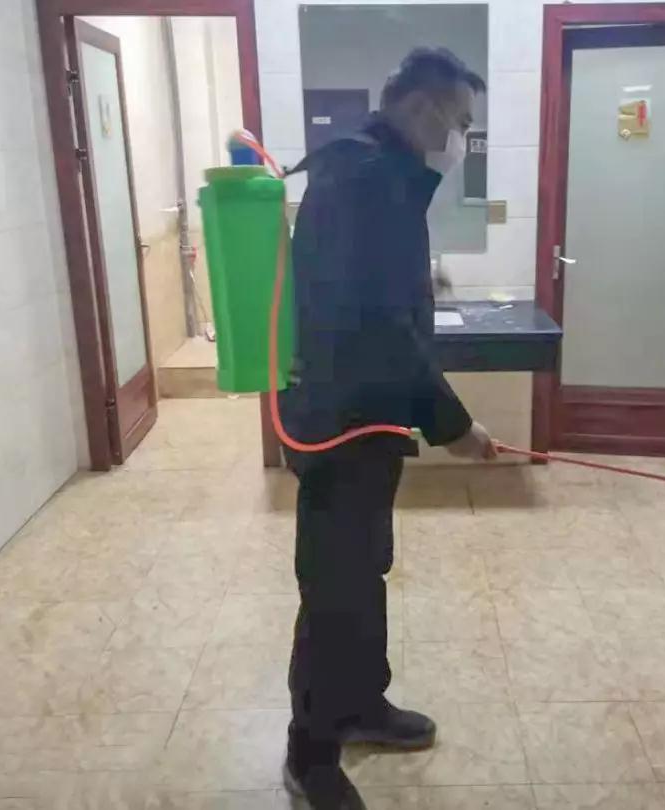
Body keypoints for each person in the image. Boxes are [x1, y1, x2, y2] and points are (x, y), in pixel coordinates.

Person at [279, 48, 494, 810]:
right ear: (421, 108)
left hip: (365, 416)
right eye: (459, 120)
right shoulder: (363, 176)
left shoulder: (380, 174)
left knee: (364, 569)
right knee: (334, 585)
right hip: (339, 422)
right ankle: (310, 753)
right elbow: (375, 326)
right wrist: (454, 426)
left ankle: (361, 704)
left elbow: (369, 289)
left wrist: (417, 282)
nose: (460, 137)